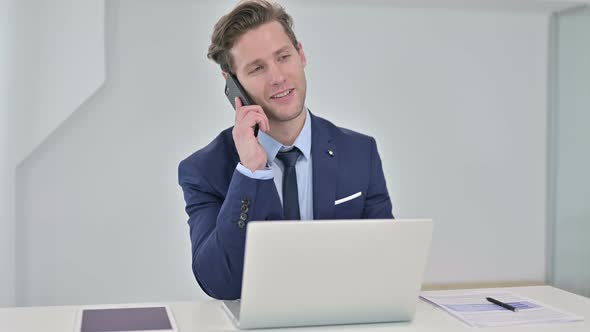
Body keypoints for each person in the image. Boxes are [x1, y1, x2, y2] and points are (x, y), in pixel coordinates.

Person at [178, 0, 393, 300]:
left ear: (301, 54)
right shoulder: (203, 170)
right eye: (257, 68)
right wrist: (250, 173)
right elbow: (220, 283)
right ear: (232, 84)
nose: (278, 77)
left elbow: (386, 265)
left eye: (283, 57)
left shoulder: (360, 152)